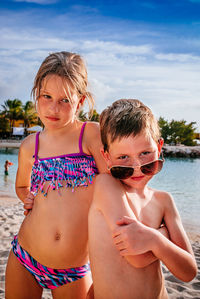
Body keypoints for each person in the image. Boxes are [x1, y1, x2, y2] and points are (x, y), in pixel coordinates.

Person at [5, 51, 106, 299]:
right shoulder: (31, 145)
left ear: (80, 102)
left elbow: (115, 188)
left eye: (64, 100)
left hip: (73, 268)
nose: (53, 107)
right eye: (46, 97)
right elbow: (21, 186)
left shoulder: (92, 135)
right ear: (36, 94)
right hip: (25, 255)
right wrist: (26, 198)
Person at [88, 99, 197, 299]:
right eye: (123, 158)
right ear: (107, 157)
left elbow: (188, 272)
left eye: (145, 153)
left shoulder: (164, 200)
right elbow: (136, 257)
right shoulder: (107, 185)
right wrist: (164, 236)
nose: (137, 167)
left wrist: (154, 239)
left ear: (159, 146)